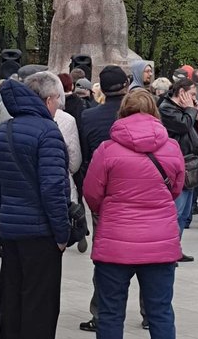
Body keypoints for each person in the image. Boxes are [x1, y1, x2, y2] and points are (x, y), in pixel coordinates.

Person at [84, 89, 185, 339]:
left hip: (116, 241)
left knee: (110, 312)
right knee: (160, 311)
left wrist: (107, 211)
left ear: (123, 112)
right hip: (160, 242)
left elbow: (91, 192)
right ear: (154, 111)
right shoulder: (171, 147)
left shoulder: (107, 149)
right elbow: (176, 188)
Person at [0, 72, 71, 339]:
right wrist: (62, 234)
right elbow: (53, 188)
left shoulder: (3, 131)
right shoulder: (49, 132)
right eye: (58, 98)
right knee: (40, 306)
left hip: (12, 230)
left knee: (12, 301)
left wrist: (2, 222)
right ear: (48, 100)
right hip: (40, 233)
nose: (59, 104)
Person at [75, 65, 141, 332]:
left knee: (105, 256)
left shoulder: (89, 117)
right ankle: (148, 311)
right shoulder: (140, 115)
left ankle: (101, 312)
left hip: (104, 194)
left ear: (100, 88)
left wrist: (87, 191)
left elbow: (81, 157)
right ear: (127, 85)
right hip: (140, 193)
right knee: (148, 253)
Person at [158, 78, 198, 261]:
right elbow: (183, 125)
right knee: (176, 210)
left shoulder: (184, 110)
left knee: (184, 213)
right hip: (177, 164)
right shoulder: (167, 108)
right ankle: (168, 250)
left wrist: (191, 110)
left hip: (190, 163)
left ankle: (176, 248)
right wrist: (191, 110)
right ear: (181, 92)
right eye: (192, 94)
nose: (194, 99)